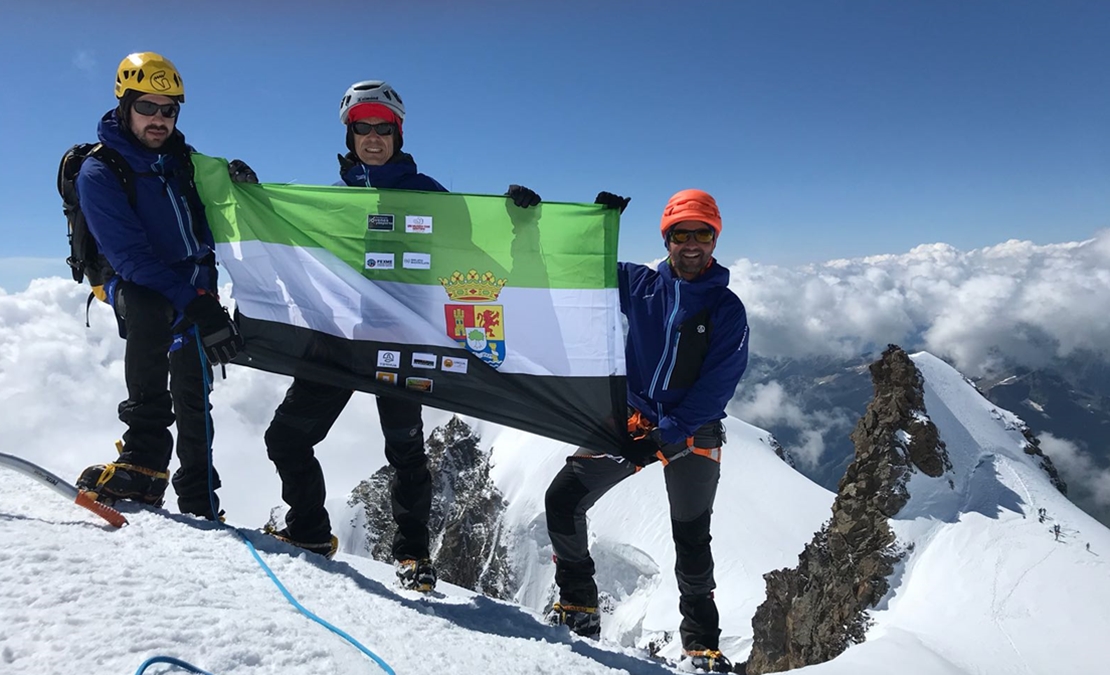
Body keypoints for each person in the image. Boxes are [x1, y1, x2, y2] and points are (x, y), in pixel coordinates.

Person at [261, 80, 541, 583]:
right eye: (362, 128)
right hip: (341, 339)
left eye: (382, 128)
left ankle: (413, 556)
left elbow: (472, 267)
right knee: (285, 437)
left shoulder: (432, 197)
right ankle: (308, 530)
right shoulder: (333, 202)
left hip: (402, 341)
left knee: (406, 453)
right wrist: (248, 196)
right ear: (349, 136)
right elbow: (289, 245)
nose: (372, 136)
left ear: (398, 133)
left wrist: (524, 229)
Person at [544, 189, 749, 673]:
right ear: (668, 238)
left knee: (692, 537)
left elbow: (719, 382)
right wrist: (547, 223)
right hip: (633, 424)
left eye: (702, 233)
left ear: (714, 239)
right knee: (563, 499)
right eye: (682, 234)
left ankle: (701, 645)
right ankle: (579, 606)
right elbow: (572, 267)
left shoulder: (726, 309)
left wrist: (671, 431)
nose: (692, 243)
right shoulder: (637, 284)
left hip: (692, 432)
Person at [75, 52, 245, 520]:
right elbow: (131, 260)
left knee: (194, 393)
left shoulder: (184, 163)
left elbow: (218, 212)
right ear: (125, 106)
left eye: (168, 110)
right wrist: (198, 305)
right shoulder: (102, 171)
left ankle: (200, 499)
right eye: (147, 107)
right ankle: (144, 460)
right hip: (140, 285)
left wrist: (238, 185)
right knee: (150, 310)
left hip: (195, 287)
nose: (158, 119)